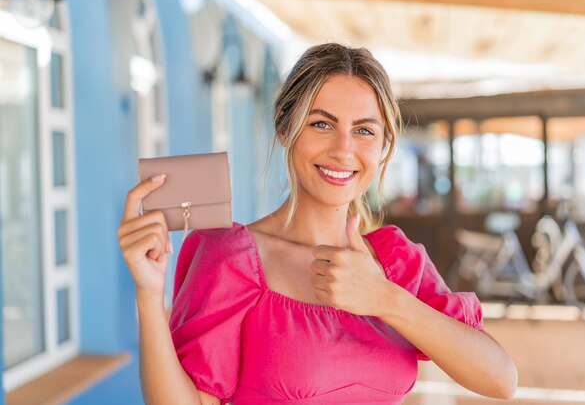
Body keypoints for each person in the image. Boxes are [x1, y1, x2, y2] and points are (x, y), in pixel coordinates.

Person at [117, 43, 517, 405]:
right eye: (321, 124)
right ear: (285, 128)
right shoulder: (232, 256)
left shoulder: (395, 260)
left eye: (363, 130)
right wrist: (149, 297)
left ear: (383, 147)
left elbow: (500, 379)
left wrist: (385, 299)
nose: (343, 150)